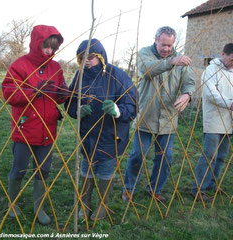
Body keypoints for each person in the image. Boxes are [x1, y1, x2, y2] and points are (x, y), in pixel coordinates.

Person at [2, 25, 68, 225]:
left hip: (47, 130)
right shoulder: (20, 65)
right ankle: (12, 204)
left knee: (43, 170)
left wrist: (64, 93)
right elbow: (9, 93)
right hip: (25, 129)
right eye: (46, 47)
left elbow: (58, 95)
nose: (50, 52)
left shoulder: (55, 67)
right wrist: (34, 92)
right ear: (37, 44)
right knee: (19, 168)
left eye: (53, 48)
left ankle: (39, 207)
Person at [65, 38, 136, 220]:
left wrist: (117, 110)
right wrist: (78, 110)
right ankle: (85, 204)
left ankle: (102, 206)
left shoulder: (116, 75)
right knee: (87, 169)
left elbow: (132, 103)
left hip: (110, 135)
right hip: (88, 135)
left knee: (106, 169)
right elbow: (70, 103)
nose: (87, 60)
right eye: (83, 57)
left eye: (91, 56)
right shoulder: (80, 76)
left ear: (101, 57)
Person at [122, 26, 195, 202]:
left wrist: (187, 94)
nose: (166, 49)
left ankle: (154, 189)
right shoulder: (144, 53)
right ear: (155, 40)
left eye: (170, 46)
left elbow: (190, 82)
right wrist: (171, 61)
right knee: (138, 156)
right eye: (163, 44)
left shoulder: (180, 60)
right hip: (146, 116)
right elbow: (147, 70)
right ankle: (129, 188)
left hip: (168, 119)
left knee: (165, 158)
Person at [191, 43, 233, 201]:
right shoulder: (211, 70)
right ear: (223, 54)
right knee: (209, 155)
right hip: (214, 120)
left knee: (221, 156)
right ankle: (198, 188)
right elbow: (210, 94)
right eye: (232, 59)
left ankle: (211, 183)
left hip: (229, 120)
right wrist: (231, 103)